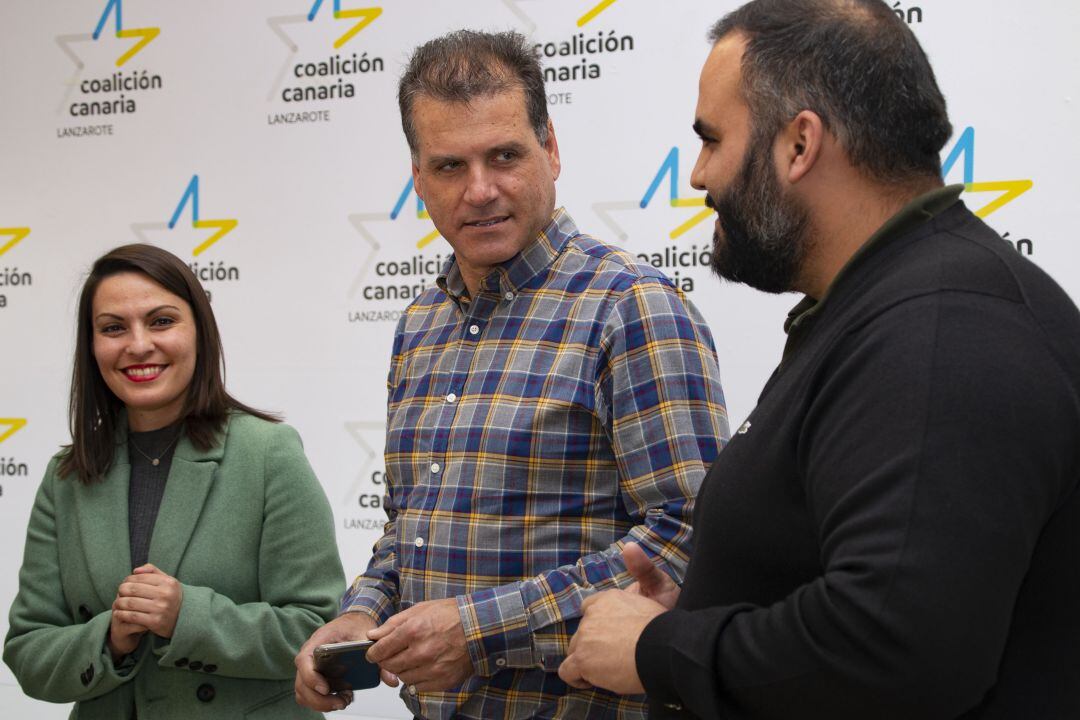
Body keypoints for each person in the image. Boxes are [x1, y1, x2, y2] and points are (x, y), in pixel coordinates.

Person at [559, 1, 1080, 718]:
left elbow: (893, 650)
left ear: (799, 143)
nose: (699, 176)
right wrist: (699, 613)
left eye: (712, 140)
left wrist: (664, 652)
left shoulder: (941, 333)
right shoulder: (885, 309)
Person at [294, 29, 729, 720]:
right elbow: (413, 525)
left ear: (551, 149)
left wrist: (478, 630)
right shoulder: (420, 324)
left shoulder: (631, 308)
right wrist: (361, 613)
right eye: (448, 166)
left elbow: (691, 537)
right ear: (417, 177)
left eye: (505, 156)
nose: (480, 190)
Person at [4, 244, 346, 719]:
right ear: (92, 346)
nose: (138, 344)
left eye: (161, 321)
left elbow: (318, 631)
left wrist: (188, 617)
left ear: (199, 333)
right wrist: (110, 638)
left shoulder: (269, 453)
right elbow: (28, 650)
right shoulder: (67, 477)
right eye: (112, 328)